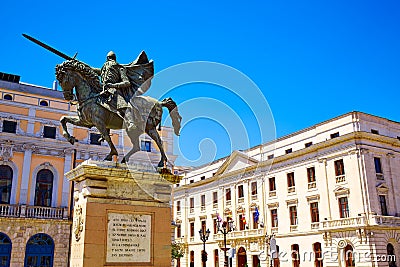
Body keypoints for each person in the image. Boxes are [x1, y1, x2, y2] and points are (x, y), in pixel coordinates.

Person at [93, 51, 143, 131]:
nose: (110, 62)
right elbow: (91, 69)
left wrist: (113, 85)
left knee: (122, 105)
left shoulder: (120, 68)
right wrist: (78, 64)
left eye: (111, 59)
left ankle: (131, 122)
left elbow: (127, 83)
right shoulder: (104, 70)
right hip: (104, 91)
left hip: (116, 91)